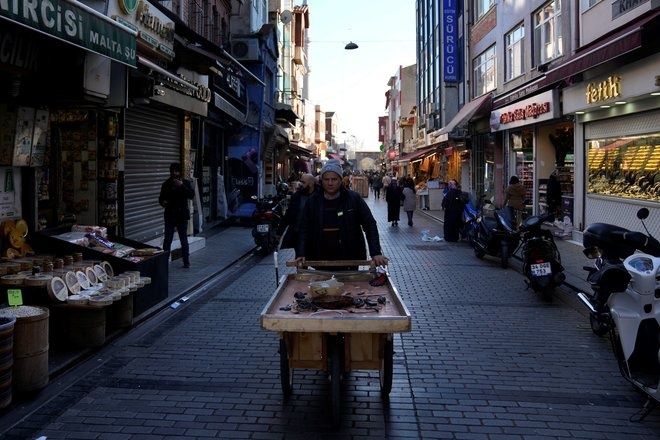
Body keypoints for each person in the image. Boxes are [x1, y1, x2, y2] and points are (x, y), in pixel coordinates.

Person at [295, 159, 388, 269]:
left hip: (349, 259)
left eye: (334, 179)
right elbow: (303, 228)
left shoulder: (354, 199)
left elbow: (369, 224)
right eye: (326, 179)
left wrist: (375, 252)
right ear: (321, 180)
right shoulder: (313, 201)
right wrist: (301, 253)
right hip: (320, 260)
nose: (330, 183)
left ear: (340, 180)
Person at [159, 163, 195, 268]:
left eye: (176, 171)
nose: (174, 173)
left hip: (182, 215)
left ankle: (186, 261)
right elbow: (161, 199)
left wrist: (181, 186)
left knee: (183, 239)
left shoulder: (186, 183)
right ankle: (164, 261)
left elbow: (191, 195)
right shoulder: (166, 184)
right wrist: (163, 203)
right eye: (172, 171)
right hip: (170, 215)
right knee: (168, 239)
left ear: (180, 172)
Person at [276, 173, 317, 249]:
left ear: (311, 184)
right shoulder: (297, 196)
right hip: (298, 237)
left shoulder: (319, 196)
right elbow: (288, 215)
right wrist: (279, 233)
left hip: (314, 238)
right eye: (300, 181)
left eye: (303, 182)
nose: (300, 184)